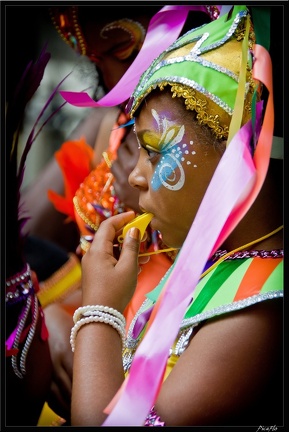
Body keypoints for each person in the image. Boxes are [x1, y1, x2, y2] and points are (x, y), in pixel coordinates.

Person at [68, 5, 283, 426]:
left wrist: (99, 312)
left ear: (233, 155)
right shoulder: (208, 264)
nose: (134, 176)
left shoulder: (257, 311)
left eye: (154, 151)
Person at [21, 5, 217, 426]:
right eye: (96, 60)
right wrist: (56, 317)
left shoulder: (218, 138)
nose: (113, 80)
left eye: (124, 51)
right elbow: (34, 236)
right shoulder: (108, 123)